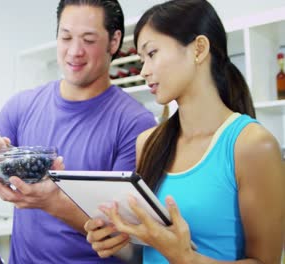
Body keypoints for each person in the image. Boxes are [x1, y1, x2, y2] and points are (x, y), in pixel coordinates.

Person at [84, 0, 285, 263]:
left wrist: (187, 258)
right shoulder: (149, 143)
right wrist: (116, 240)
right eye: (141, 59)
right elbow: (146, 251)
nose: (144, 71)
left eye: (152, 53)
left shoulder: (251, 145)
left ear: (199, 49)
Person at [0, 0, 157, 263]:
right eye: (66, 37)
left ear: (114, 41)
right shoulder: (21, 106)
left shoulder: (136, 124)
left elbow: (125, 239)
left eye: (88, 39)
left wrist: (52, 202)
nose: (74, 51)